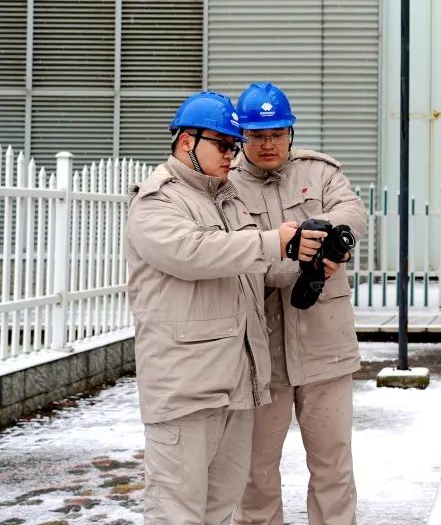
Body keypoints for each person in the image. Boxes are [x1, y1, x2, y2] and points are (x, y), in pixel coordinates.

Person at [126, 91, 320, 525]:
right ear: (186, 142)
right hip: (186, 389)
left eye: (234, 146)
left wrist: (303, 256)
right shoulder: (158, 200)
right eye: (222, 144)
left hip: (236, 384)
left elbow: (248, 269)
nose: (232, 154)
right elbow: (192, 253)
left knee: (219, 508)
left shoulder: (226, 198)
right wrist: (272, 242)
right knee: (176, 512)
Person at [231, 82, 367, 525]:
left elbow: (353, 212)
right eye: (257, 135)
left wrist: (323, 236)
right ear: (241, 136)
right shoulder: (226, 185)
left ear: (291, 132)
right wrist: (292, 256)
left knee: (333, 468)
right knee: (254, 474)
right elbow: (232, 254)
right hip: (258, 354)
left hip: (325, 346)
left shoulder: (320, 172)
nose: (268, 144)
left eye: (277, 133)